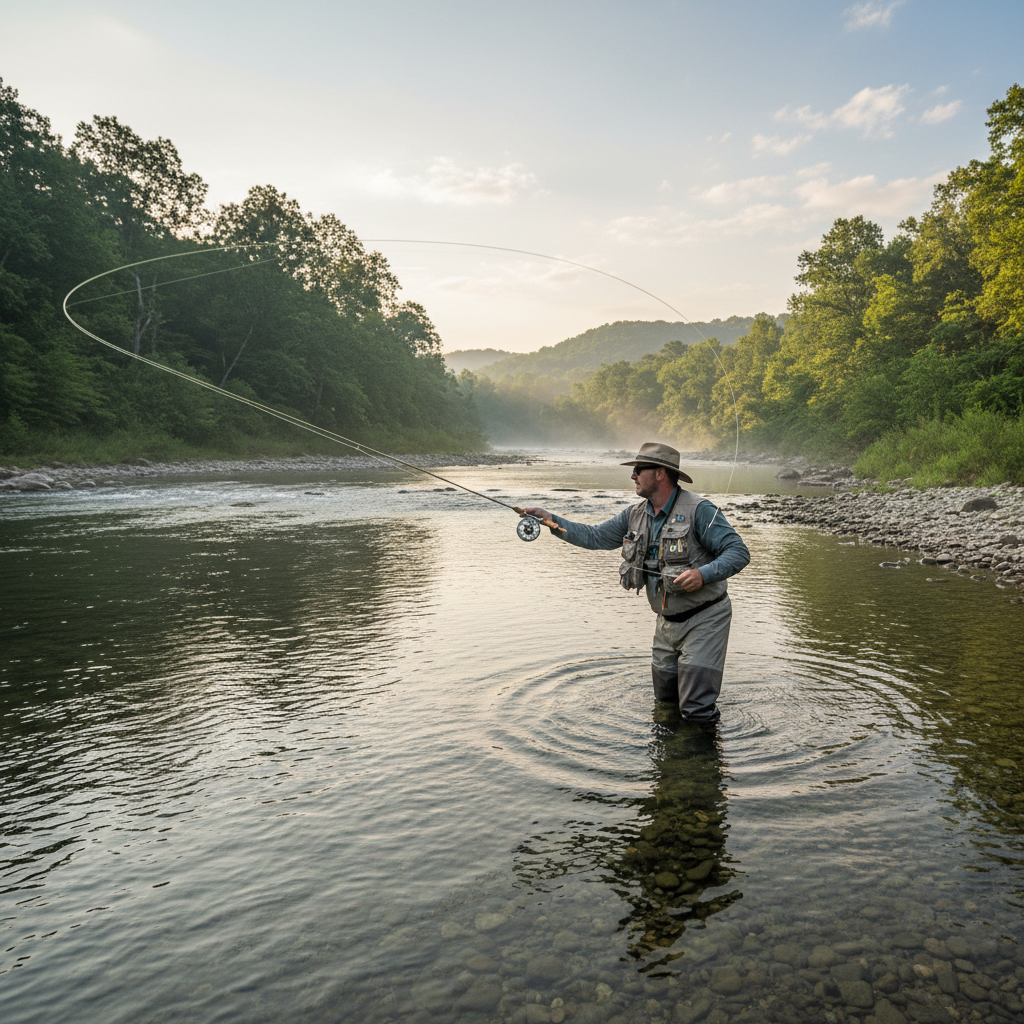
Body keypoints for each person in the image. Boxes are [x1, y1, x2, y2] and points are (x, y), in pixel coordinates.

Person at [522, 442, 750, 723]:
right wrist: (550, 520)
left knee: (696, 708)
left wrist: (703, 574)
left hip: (706, 619)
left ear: (660, 474)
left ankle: (702, 764)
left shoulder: (700, 510)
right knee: (665, 701)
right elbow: (594, 536)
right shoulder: (634, 514)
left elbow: (738, 552)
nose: (633, 475)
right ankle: (667, 763)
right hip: (666, 622)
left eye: (639, 469)